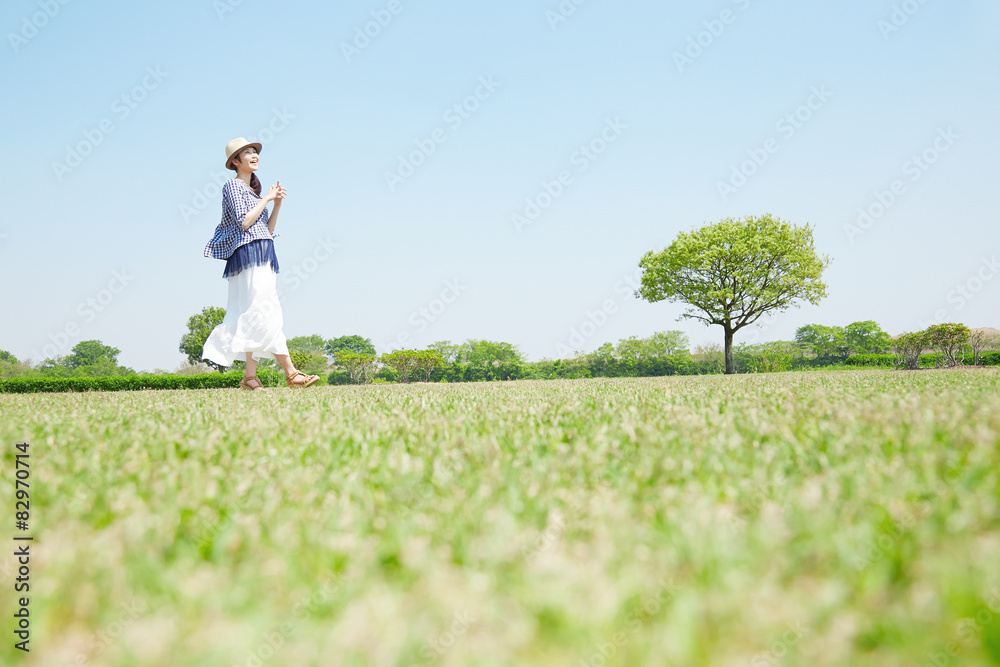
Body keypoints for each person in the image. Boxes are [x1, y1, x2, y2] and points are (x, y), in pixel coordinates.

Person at [200, 137, 319, 390]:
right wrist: (265, 199)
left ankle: (250, 378)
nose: (254, 155)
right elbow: (244, 223)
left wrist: (276, 204)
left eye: (255, 151)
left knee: (256, 311)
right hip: (248, 253)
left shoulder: (254, 193)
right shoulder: (232, 187)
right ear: (235, 161)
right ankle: (291, 373)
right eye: (247, 153)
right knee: (264, 309)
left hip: (265, 250)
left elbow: (267, 229)